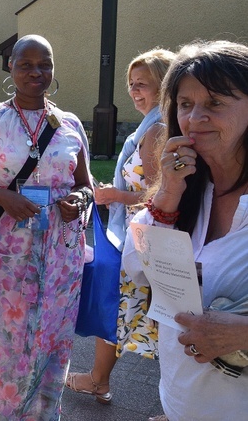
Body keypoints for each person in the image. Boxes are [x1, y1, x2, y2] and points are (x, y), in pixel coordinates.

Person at [0, 34, 92, 419]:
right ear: (10, 67)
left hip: (61, 258)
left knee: (50, 343)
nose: (37, 72)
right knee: (4, 344)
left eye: (44, 64)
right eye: (26, 64)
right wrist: (0, 197)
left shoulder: (68, 124)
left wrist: (78, 201)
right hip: (7, 257)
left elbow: (86, 184)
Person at [122, 40, 248, 421]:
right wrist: (170, 192)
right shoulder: (191, 189)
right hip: (179, 401)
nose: (194, 118)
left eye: (215, 103)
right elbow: (134, 264)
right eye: (185, 104)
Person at [66, 48, 175, 403]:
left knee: (125, 309)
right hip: (135, 237)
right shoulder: (155, 124)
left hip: (142, 240)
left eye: (142, 84)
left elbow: (161, 201)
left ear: (163, 86)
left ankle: (100, 381)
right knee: (128, 311)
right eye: (131, 84)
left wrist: (114, 196)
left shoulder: (156, 130)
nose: (133, 91)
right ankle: (100, 380)